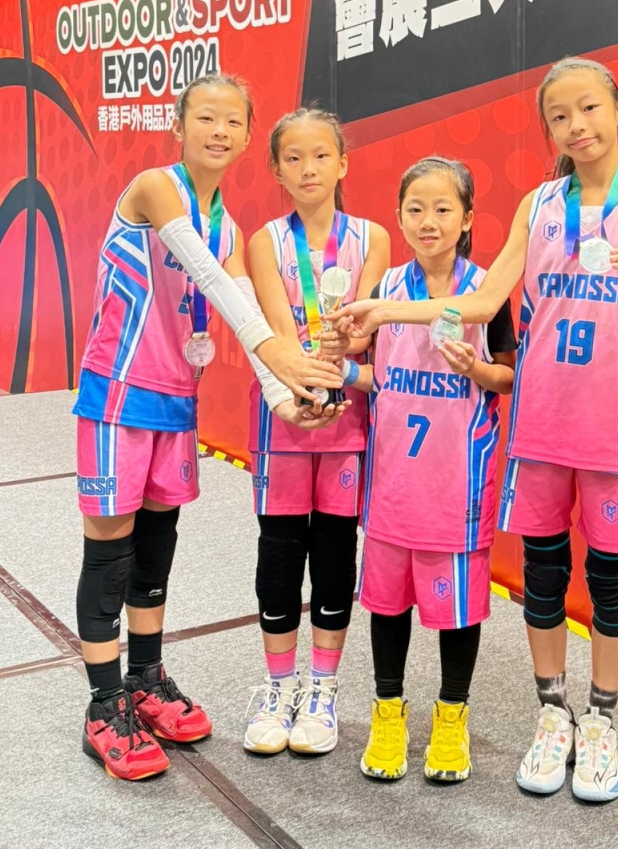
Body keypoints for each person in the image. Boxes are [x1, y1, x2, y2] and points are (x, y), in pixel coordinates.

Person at [340, 59, 618, 802]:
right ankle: (552, 713)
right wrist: (384, 311)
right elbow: (481, 302)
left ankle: (601, 720)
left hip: (613, 433)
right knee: (543, 575)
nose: (576, 126)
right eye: (559, 116)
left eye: (588, 108)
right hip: (540, 426)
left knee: (611, 578)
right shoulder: (539, 206)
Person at [74, 75, 343, 781]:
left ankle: (145, 678)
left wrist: (285, 397)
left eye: (232, 122)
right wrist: (281, 353)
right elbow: (217, 285)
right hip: (117, 396)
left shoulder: (229, 228)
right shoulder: (155, 189)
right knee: (110, 555)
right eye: (205, 118)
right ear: (179, 126)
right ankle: (103, 705)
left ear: (249, 136)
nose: (219, 131)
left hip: (175, 404)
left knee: (156, 547)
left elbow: (235, 303)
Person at [350, 157, 515, 784]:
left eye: (443, 209)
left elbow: (509, 375)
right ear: (398, 216)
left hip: (456, 485)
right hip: (393, 483)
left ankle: (451, 716)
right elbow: (375, 374)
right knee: (387, 606)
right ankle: (388, 712)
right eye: (415, 209)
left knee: (458, 612)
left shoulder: (487, 291)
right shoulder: (385, 288)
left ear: (467, 218)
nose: (429, 221)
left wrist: (477, 371)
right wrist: (338, 368)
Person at [243, 108, 389, 759]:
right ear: (277, 170)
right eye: (294, 158)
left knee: (333, 551)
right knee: (279, 552)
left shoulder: (373, 238)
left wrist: (340, 359)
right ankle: (278, 689)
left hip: (347, 417)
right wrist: (298, 392)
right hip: (284, 414)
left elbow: (364, 329)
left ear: (342, 163)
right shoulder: (265, 241)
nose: (308, 169)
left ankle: (323, 691)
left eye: (321, 156)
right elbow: (277, 331)